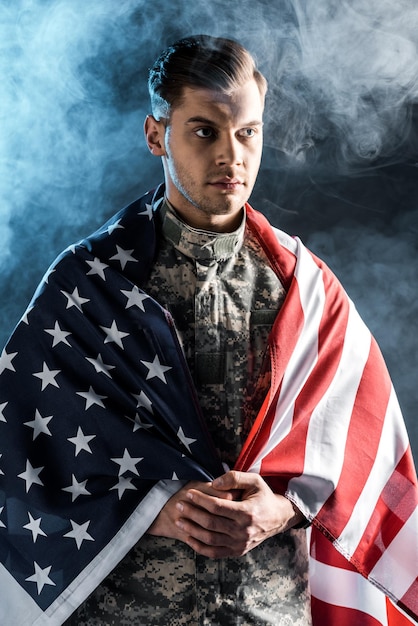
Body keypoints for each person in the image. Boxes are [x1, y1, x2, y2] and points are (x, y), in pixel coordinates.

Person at [0, 35, 416, 626]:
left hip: (268, 609)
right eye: (204, 131)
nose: (232, 156)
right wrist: (151, 510)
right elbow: (20, 455)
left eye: (247, 132)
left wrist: (285, 510)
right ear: (156, 136)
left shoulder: (305, 289)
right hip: (134, 612)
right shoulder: (87, 287)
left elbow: (362, 461)